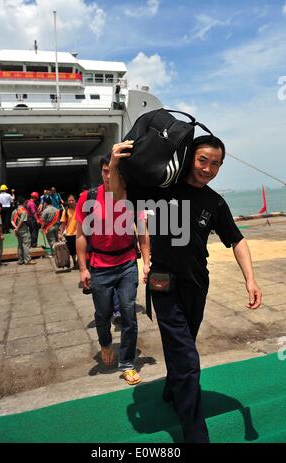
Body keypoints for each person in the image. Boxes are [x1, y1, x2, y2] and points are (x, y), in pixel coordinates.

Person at [109, 135, 262, 443]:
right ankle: (195, 432)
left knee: (184, 344)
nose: (208, 169)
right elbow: (120, 197)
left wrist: (250, 279)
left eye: (215, 164)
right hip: (163, 283)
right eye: (202, 160)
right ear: (190, 157)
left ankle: (172, 388)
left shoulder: (215, 201)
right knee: (187, 357)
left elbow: (237, 239)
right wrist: (114, 163)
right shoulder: (162, 187)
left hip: (197, 285)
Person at [76, 154, 150, 385]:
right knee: (103, 313)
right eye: (105, 171)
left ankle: (127, 363)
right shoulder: (87, 198)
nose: (109, 176)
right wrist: (82, 268)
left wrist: (147, 262)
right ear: (101, 172)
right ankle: (105, 343)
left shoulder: (131, 197)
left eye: (114, 171)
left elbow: (142, 231)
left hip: (127, 262)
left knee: (128, 312)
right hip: (100, 266)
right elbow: (80, 235)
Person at [11, 196, 36, 265]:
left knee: (19, 245)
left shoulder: (14, 211)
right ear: (24, 203)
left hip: (17, 231)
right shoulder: (23, 210)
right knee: (26, 245)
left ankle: (20, 260)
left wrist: (16, 228)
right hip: (23, 230)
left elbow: (12, 221)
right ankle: (27, 260)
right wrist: (18, 228)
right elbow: (22, 220)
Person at [59, 194, 78, 269]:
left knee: (80, 249)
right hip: (70, 234)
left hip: (79, 233)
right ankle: (75, 263)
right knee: (72, 251)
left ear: (75, 201)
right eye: (69, 200)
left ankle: (80, 263)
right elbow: (63, 224)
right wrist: (60, 233)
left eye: (72, 200)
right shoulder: (65, 211)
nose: (70, 202)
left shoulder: (80, 209)